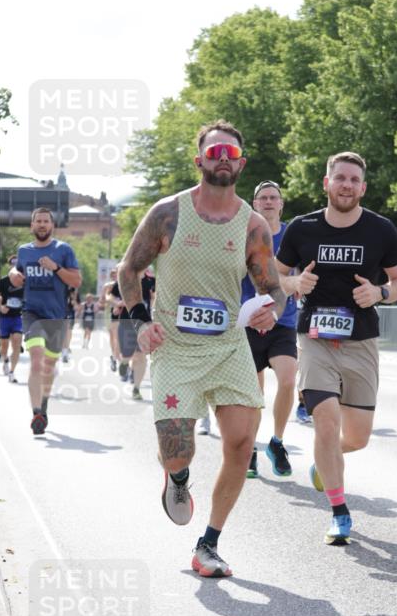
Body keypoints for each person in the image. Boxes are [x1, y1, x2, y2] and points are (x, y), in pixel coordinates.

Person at [117, 119, 285, 578]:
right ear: (200, 161)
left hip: (229, 346)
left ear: (242, 163)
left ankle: (208, 544)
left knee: (240, 442)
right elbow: (129, 271)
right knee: (178, 451)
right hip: (174, 346)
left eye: (231, 153)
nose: (223, 159)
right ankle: (177, 478)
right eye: (214, 153)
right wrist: (141, 321)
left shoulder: (253, 225)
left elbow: (272, 286)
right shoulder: (168, 213)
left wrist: (270, 308)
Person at [275, 151, 397, 545]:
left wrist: (380, 291)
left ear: (362, 188)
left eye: (354, 180)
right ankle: (339, 512)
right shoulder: (303, 228)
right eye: (341, 178)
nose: (347, 185)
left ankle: (326, 460)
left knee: (357, 438)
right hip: (314, 339)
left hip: (361, 341)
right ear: (327, 183)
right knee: (326, 421)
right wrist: (293, 285)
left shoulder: (380, 230)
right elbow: (274, 275)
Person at [242, 180, 298, 478]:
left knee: (288, 380)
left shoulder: (292, 234)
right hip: (249, 321)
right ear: (254, 203)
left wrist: (299, 284)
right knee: (254, 394)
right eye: (262, 197)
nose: (267, 201)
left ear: (281, 203)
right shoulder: (244, 232)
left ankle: (276, 442)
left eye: (272, 197)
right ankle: (249, 448)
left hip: (283, 321)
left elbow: (302, 267)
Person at [9, 207, 81, 434]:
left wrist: (56, 267)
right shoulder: (24, 251)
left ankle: (45, 405)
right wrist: (14, 274)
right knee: (37, 361)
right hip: (31, 312)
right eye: (38, 221)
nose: (41, 224)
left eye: (45, 221)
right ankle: (36, 413)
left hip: (56, 315)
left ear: (52, 226)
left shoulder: (63, 250)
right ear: (32, 226)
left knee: (49, 367)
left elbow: (76, 281)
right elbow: (17, 277)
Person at [109, 271, 152, 400]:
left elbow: (156, 298)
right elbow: (111, 295)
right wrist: (117, 303)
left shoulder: (151, 281)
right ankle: (124, 362)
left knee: (141, 356)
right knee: (127, 355)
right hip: (126, 323)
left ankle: (136, 389)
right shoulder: (125, 278)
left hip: (144, 324)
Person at [0, 255, 24, 383]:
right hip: (4, 317)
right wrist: (0, 307)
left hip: (17, 317)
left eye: (17, 263)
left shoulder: (24, 281)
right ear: (9, 265)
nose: (15, 265)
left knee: (17, 341)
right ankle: (5, 361)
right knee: (4, 346)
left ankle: (12, 372)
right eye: (12, 263)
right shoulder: (3, 281)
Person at [103, 269, 122, 371]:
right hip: (110, 311)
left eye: (116, 274)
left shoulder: (125, 282)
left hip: (122, 313)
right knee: (113, 336)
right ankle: (114, 355)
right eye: (113, 274)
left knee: (118, 337)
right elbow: (104, 298)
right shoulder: (109, 286)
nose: (115, 276)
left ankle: (115, 356)